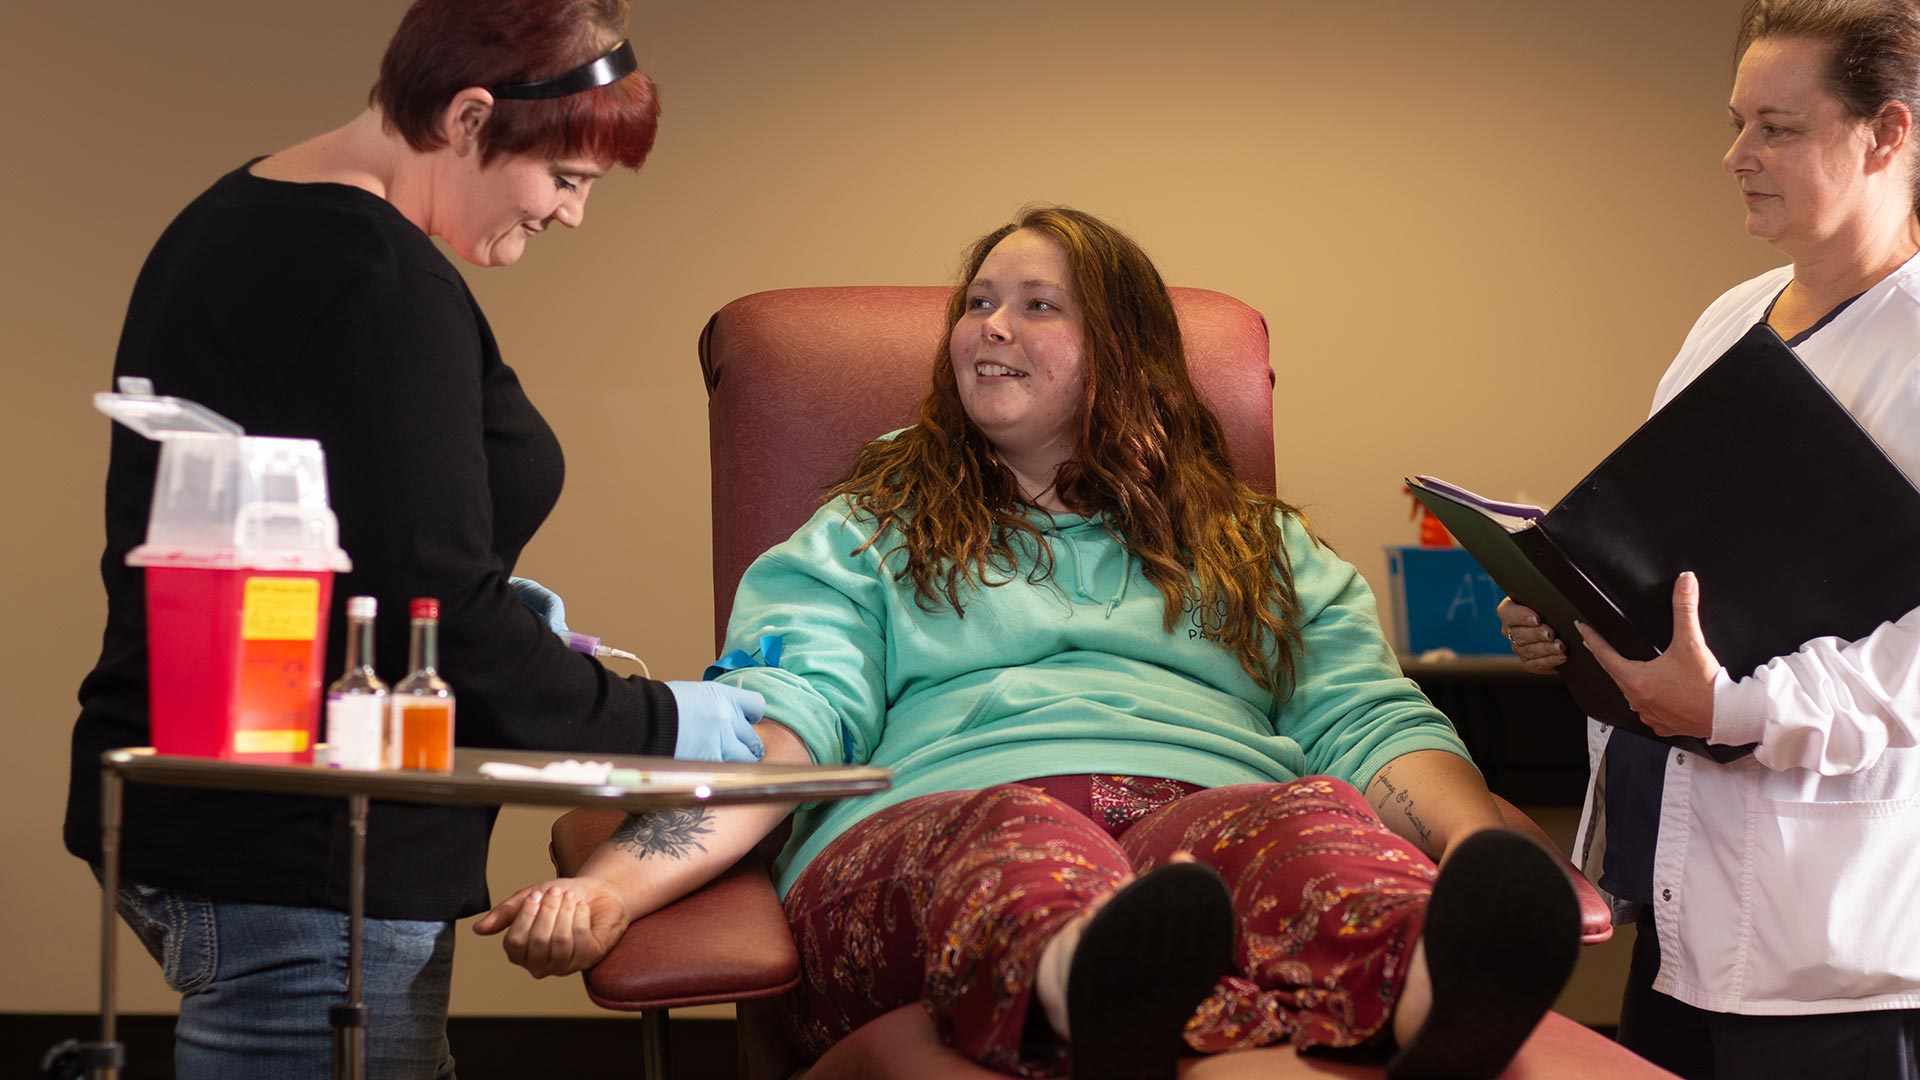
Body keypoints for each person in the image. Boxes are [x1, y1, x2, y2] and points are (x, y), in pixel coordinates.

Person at [478, 208, 1581, 1079]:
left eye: (1038, 305)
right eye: (980, 302)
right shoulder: (866, 534)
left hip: (1202, 827)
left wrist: (1483, 843)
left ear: (1128, 359)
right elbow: (783, 734)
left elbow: (1365, 721)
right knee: (1014, 836)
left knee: (1307, 821)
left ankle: (1441, 994)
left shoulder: (1259, 545)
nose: (989, 326)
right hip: (938, 822)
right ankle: (1086, 987)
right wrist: (617, 887)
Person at [63, 2, 763, 1076]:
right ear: (472, 118)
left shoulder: (241, 218)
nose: (572, 216)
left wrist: (484, 614)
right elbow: (439, 607)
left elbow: (365, 562)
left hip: (225, 827)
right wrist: (663, 724)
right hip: (305, 859)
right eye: (568, 182)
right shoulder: (375, 281)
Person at [1498, 3, 1920, 1077]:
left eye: (1776, 126)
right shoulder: (1727, 320)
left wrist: (1736, 707)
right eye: (1737, 123)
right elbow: (1673, 554)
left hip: (1836, 949)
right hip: (1677, 900)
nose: (1736, 157)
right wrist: (1572, 606)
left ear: (1887, 136)